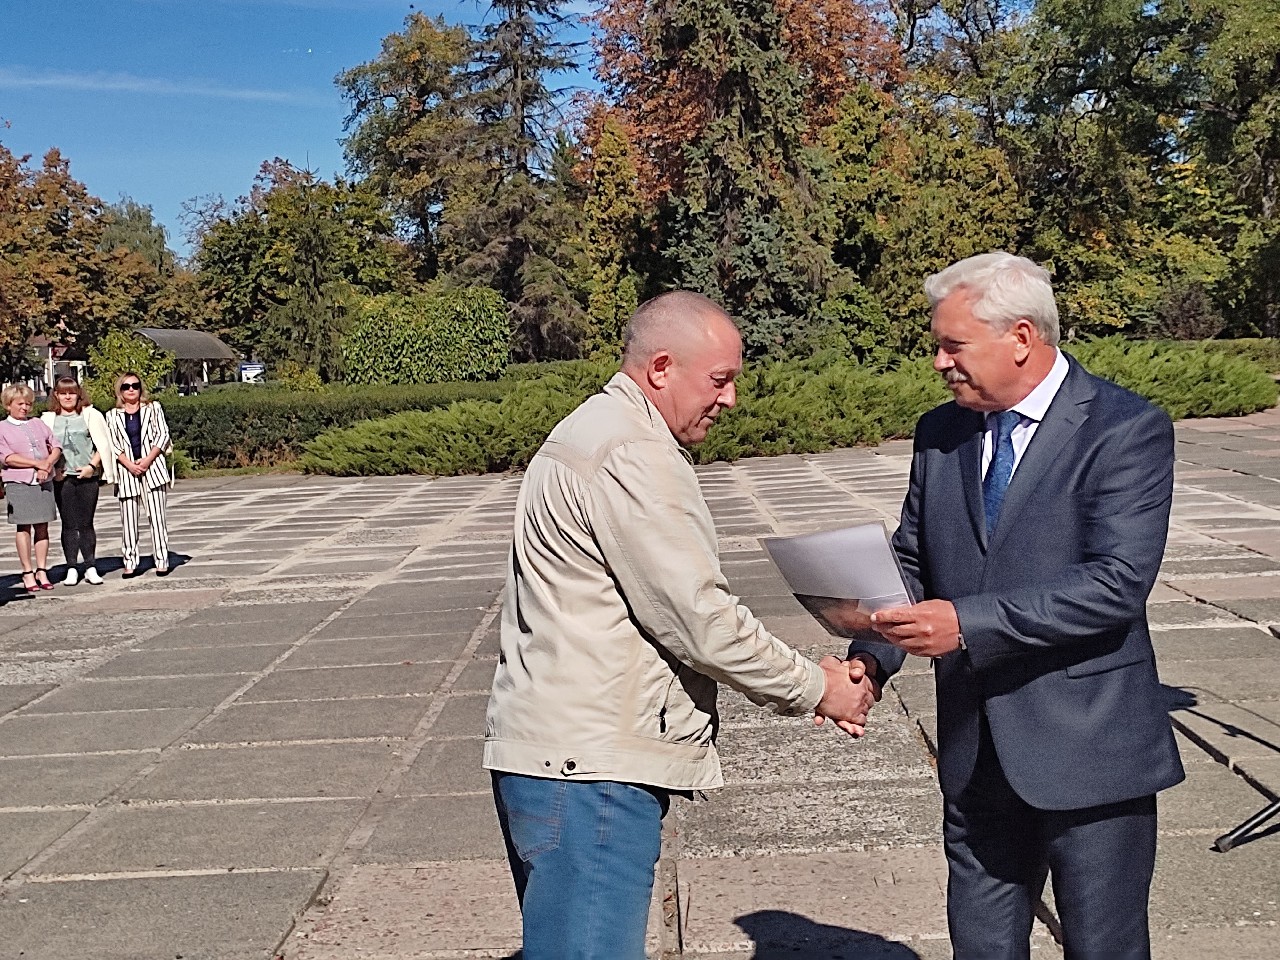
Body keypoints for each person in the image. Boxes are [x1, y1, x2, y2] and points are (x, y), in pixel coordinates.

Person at [484, 292, 879, 960]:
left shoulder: (592, 428)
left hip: (554, 757)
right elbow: (700, 621)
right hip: (592, 774)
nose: (730, 399)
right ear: (661, 368)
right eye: (719, 380)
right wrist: (820, 687)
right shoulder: (634, 453)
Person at [850, 253, 1184, 960]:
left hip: (1090, 749)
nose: (939, 362)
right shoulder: (940, 433)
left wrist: (966, 625)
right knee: (981, 945)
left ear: (1022, 338)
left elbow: (1117, 583)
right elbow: (912, 558)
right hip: (975, 751)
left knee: (1104, 946)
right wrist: (871, 657)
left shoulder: (1125, 428)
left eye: (954, 345)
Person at [41, 376, 114, 585]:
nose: (67, 397)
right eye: (63, 393)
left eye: (71, 393)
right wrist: (53, 469)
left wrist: (92, 466)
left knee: (86, 522)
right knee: (68, 524)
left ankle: (90, 566)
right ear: (56, 395)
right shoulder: (47, 419)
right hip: (62, 478)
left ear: (78, 394)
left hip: (86, 476)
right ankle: (71, 567)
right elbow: (43, 447)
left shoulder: (90, 415)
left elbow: (103, 444)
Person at [104, 372, 173, 577]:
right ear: (120, 390)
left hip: (153, 468)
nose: (131, 389)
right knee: (129, 521)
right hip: (126, 471)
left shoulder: (153, 408)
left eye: (135, 385)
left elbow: (162, 435)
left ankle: (161, 559)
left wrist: (147, 460)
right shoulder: (112, 415)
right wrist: (129, 464)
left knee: (157, 518)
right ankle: (130, 561)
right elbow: (113, 444)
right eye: (126, 386)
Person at [0, 383, 62, 592]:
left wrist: (48, 463)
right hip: (19, 482)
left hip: (44, 482)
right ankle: (27, 571)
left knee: (42, 526)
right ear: (8, 405)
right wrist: (37, 464)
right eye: (20, 404)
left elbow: (55, 445)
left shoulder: (37, 423)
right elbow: (7, 457)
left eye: (27, 404)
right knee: (24, 527)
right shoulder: (2, 428)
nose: (24, 408)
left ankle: (42, 570)